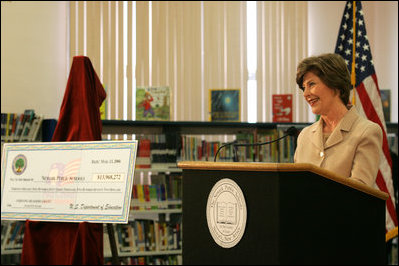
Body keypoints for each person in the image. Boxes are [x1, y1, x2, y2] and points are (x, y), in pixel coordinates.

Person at [294, 53, 382, 187]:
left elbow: (360, 193)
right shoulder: (305, 135)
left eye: (311, 84)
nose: (306, 94)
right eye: (304, 87)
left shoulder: (367, 132)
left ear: (335, 84)